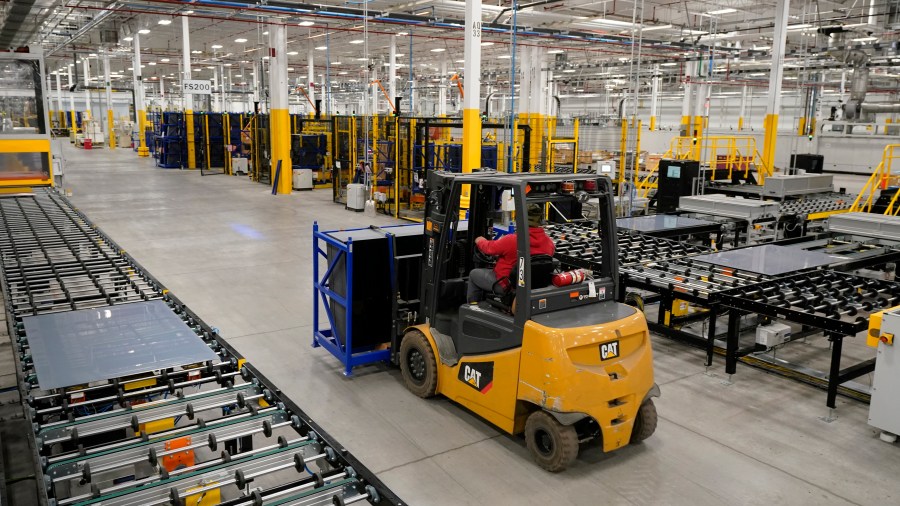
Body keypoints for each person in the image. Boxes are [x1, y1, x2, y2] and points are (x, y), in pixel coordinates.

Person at [467, 204, 555, 303]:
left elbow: (489, 249)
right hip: (532, 285)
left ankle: (473, 306)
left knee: (473, 274)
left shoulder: (513, 240)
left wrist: (480, 240)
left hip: (506, 285)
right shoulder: (549, 242)